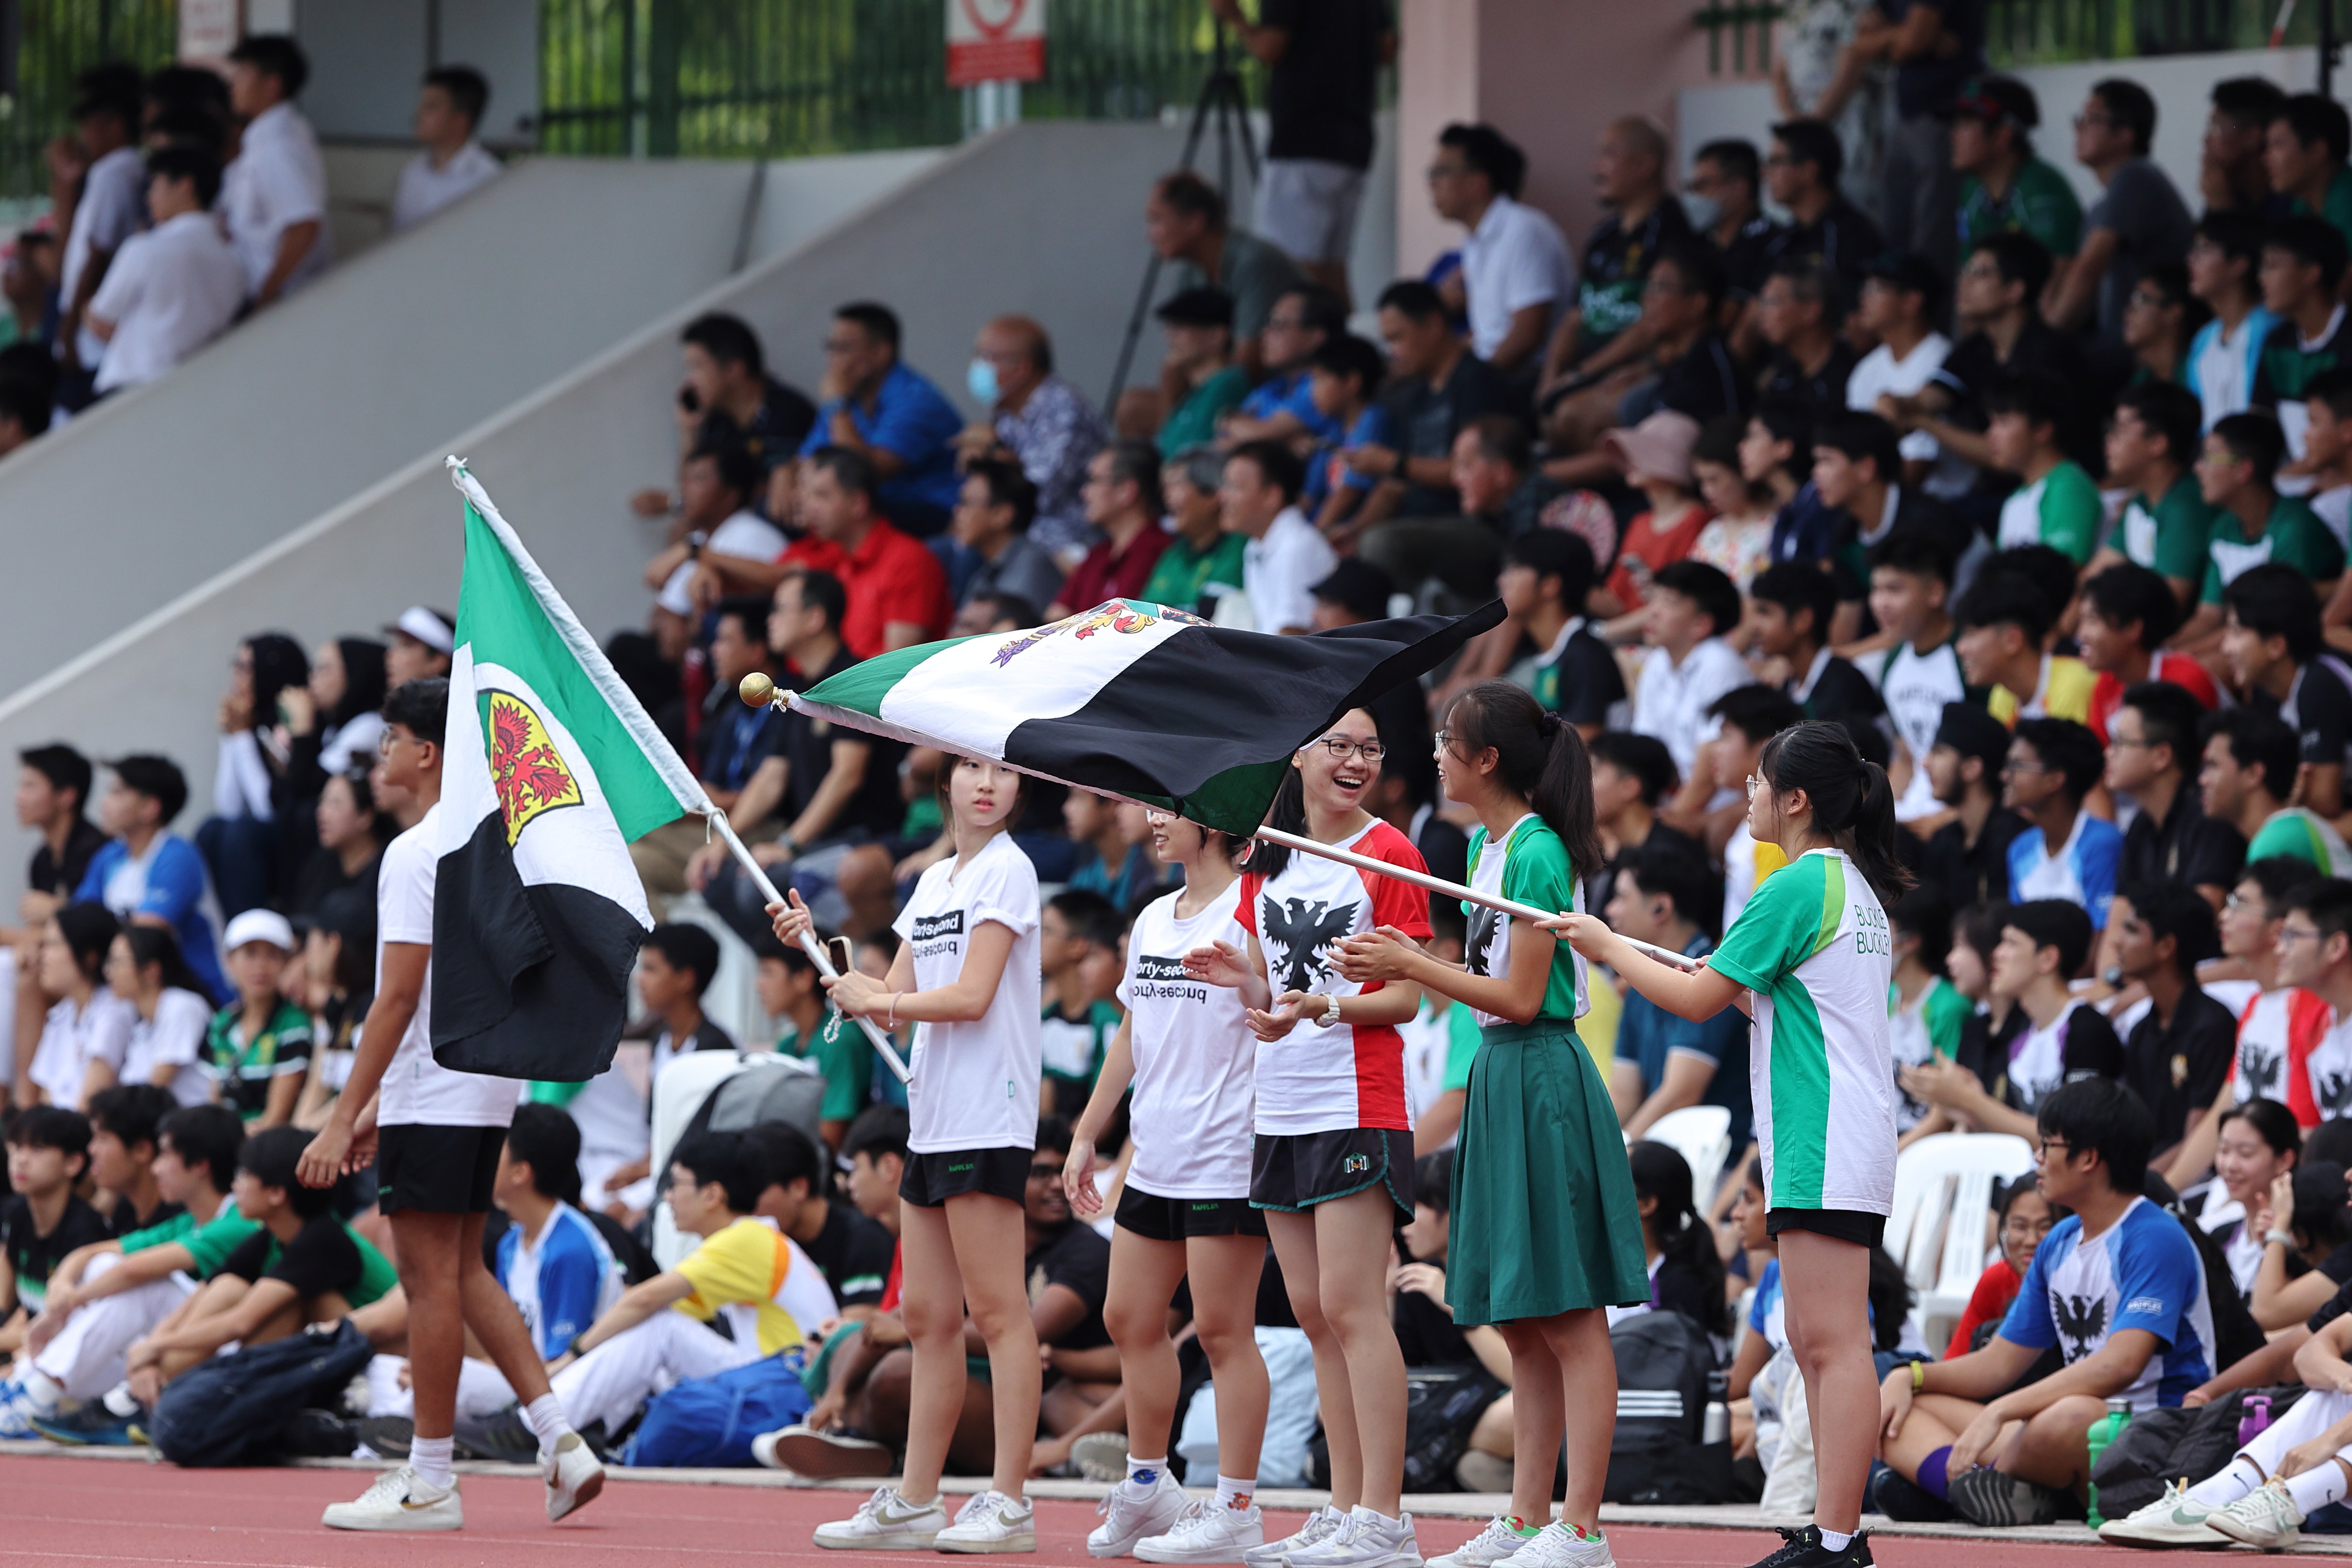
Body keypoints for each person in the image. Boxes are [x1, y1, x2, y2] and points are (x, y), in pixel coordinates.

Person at [1557, 720, 1907, 1568]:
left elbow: (1697, 998)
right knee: (1817, 1337)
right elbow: (1769, 1002)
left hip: (1822, 1131)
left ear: (1794, 799)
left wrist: (1606, 948)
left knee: (1831, 1342)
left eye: (1755, 782)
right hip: (1832, 1129)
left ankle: (1836, 1535)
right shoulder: (1848, 886)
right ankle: (1833, 1528)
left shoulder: (1794, 886)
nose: (1743, 795)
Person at [1328, 682, 1645, 1568]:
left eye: (1444, 738)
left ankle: (1582, 1526)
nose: (1432, 751)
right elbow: (1484, 976)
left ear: (1487, 758)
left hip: (1540, 1069)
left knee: (1570, 1314)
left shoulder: (1538, 851)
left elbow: (1517, 993)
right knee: (1520, 1315)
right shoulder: (1481, 844)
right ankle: (1525, 1514)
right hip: (1500, 1070)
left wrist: (1410, 961)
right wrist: (1395, 960)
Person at [300, 680, 601, 1531]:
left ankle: (430, 1475)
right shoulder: (493, 840)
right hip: (483, 1082)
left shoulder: (414, 852)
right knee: (464, 1271)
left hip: (434, 1078)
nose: (381, 755)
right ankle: (559, 1436)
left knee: (430, 1280)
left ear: (426, 752)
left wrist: (341, 1108)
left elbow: (395, 998)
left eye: (390, 738)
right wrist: (375, 1106)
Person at [771, 752, 1044, 1552]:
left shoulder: (1010, 871)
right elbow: (884, 1004)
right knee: (928, 1318)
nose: (986, 782)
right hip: (931, 1118)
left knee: (997, 1314)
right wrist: (817, 952)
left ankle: (1009, 1500)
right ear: (946, 781)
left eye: (1001, 769)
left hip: (988, 1117)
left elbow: (971, 996)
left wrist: (880, 996)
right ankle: (918, 1497)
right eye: (969, 765)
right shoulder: (933, 882)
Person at [1183, 708, 1430, 1568]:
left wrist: (1322, 1006)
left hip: (1357, 1100)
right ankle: (1343, 1505)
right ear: (1301, 754)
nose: (1357, 759)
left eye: (1371, 746)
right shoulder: (1269, 853)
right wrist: (1238, 975)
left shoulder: (1390, 852)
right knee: (1318, 1313)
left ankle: (1386, 1519)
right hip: (1281, 1104)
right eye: (1340, 745)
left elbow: (1406, 998)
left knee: (1357, 1308)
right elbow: (1272, 985)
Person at [1066, 808, 1271, 1562]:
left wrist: (1248, 977)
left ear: (1215, 823)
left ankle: (1236, 1507)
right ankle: (1149, 1486)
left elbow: (1283, 1014)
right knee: (1127, 1316)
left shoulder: (1252, 907)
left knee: (1221, 1331)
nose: (1153, 820)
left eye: (1170, 810)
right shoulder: (1153, 915)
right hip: (1153, 1154)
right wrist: (1090, 1133)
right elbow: (1130, 1032)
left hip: (1226, 1152)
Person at [1882, 1077, 2211, 1528]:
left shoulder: (2153, 1237)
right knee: (1892, 1407)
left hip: (2148, 1433)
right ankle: (1983, 1492)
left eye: (2047, 1145)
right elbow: (1996, 1364)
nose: (2037, 1157)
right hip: (2059, 1433)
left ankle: (1961, 1490)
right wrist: (1910, 1375)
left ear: (2089, 1159)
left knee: (2072, 1415)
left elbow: (2118, 1367)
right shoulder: (2059, 1241)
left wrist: (2002, 1411)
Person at [543, 1130, 832, 1431]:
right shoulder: (750, 1239)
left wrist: (571, 1357)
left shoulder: (748, 1238)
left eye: (675, 1184)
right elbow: (643, 1311)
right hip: (778, 1383)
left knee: (661, 1331)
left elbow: (645, 1301)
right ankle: (594, 1428)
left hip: (791, 1387)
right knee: (649, 1330)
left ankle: (543, 1425)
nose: (667, 1196)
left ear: (712, 1195)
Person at [1210, 0, 1390, 301]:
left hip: (1303, 142)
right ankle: (1343, 346)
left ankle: (1313, 345)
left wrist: (1235, 17)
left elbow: (1270, 47)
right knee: (1332, 269)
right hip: (1353, 143)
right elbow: (1387, 48)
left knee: (1291, 271)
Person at [1605, 840, 1751, 1151]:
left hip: (1715, 1165)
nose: (1610, 910)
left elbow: (1680, 1095)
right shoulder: (1638, 976)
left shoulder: (1713, 974)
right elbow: (1623, 1095)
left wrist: (1619, 1157)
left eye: (1621, 897)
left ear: (1661, 908)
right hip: (1656, 1155)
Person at [83, 144, 242, 398]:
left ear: (185, 186)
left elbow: (99, 319)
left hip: (134, 387)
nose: (149, 198)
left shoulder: (145, 249)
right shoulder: (233, 259)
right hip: (201, 387)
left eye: (155, 186)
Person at [2043, 80, 2192, 347]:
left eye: (2092, 119)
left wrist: (2043, 344)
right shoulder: (2102, 206)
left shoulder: (2136, 176)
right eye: (2080, 119)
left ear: (2125, 134)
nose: (2079, 128)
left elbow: (2088, 271)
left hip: (2143, 347)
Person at [800, 302, 964, 539]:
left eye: (843, 348)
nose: (832, 359)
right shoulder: (850, 395)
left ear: (881, 353)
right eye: (830, 347)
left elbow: (860, 474)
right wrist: (784, 474)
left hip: (937, 510)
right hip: (883, 504)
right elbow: (809, 459)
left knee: (843, 507)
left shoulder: (915, 400)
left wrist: (837, 406)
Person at [632, 314, 816, 519]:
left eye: (697, 367)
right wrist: (688, 432)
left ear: (733, 369)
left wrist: (673, 502)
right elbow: (693, 492)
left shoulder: (788, 413)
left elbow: (773, 495)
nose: (690, 380)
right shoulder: (717, 423)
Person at [1427, 123, 1572, 383]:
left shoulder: (1524, 231)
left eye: (1442, 172)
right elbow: (1487, 333)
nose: (1432, 183)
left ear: (1477, 183)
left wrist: (1474, 383)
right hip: (1494, 372)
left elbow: (1527, 336)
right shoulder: (1474, 240)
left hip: (1524, 377)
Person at [962, 315, 1107, 564]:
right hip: (1017, 535)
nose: (978, 366)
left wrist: (994, 452)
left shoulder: (1064, 408)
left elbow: (1038, 494)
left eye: (987, 357)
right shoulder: (1006, 411)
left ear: (1022, 367)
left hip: (1066, 542)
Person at [784, 446, 954, 657]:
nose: (810, 508)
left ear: (858, 503)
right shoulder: (842, 557)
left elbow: (895, 664)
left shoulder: (908, 560)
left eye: (822, 496)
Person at [1365, 279, 1509, 522]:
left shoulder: (1478, 381)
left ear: (1434, 325)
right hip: (1414, 524)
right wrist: (1353, 531)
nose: (1393, 352)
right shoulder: (1414, 393)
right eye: (1388, 342)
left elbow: (1475, 471)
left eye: (1398, 338)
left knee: (1383, 544)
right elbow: (1396, 485)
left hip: (1467, 523)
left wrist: (1393, 463)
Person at [2221, 564, 2352, 822]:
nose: (2225, 648)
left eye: (2237, 633)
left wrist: (2289, 809)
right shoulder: (2267, 691)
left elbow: (2325, 804)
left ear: (2276, 646)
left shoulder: (2320, 684)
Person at [2111, 883, 2235, 1150]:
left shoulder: (2213, 1026)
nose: (2117, 941)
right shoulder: (2141, 1031)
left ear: (2166, 946)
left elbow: (2196, 1140)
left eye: (2132, 930)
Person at [50, 64, 145, 405]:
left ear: (115, 126)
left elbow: (97, 255)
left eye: (90, 126)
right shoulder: (113, 172)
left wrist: (69, 329)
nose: (84, 136)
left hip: (88, 333)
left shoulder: (114, 176)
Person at [1148, 171, 1306, 373]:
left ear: (1195, 221)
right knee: (1144, 393)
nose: (1149, 235)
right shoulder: (1189, 273)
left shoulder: (1253, 263)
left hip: (1284, 390)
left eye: (1156, 220)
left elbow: (1248, 366)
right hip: (1230, 383)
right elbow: (1182, 356)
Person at [2195, 417, 2344, 628]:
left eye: (2209, 457)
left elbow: (2271, 627)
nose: (2198, 468)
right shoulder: (2224, 526)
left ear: (2243, 471)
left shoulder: (2295, 527)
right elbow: (2209, 615)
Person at [2108, 681, 2243, 909]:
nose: (2109, 753)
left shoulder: (2210, 816)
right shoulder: (2140, 827)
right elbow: (2118, 926)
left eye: (2120, 743)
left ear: (2162, 756)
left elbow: (2202, 917)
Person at [1869, 532, 1969, 826]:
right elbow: (1906, 759)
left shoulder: (1967, 656)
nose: (1880, 603)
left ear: (1936, 593)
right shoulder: (1892, 663)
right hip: (1914, 811)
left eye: (1894, 590)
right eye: (1876, 590)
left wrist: (1930, 825)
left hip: (1957, 817)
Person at [220, 35, 329, 307]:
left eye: (243, 75)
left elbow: (304, 225)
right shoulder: (264, 138)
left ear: (272, 86)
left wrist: (268, 293)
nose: (234, 84)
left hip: (285, 302)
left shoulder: (279, 146)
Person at [746, 1120, 896, 1314]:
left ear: (799, 1187)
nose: (746, 1207)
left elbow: (859, 1329)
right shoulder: (765, 1246)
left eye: (753, 1193)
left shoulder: (863, 1238)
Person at [1844, 253, 1960, 500]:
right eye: (1865, 287)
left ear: (1911, 302)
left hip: (1942, 505)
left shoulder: (1941, 362)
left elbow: (1917, 468)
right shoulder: (1867, 369)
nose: (1864, 297)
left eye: (1877, 288)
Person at [2099, 383, 2220, 610]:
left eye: (2120, 430)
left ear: (2158, 444)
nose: (2110, 439)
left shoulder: (2185, 509)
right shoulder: (2141, 500)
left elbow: (2163, 611)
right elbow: (2092, 578)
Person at [2251, 218, 2352, 483]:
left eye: (2272, 266)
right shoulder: (2276, 341)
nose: (2261, 278)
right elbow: (2260, 424)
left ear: (2311, 274)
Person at [0, 1106, 109, 1352]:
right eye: (16, 1147)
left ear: (73, 1163)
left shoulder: (87, 1232)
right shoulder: (18, 1216)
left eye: (37, 1149)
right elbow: (22, 1311)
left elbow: (64, 1331)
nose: (20, 1159)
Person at [1629, 560, 1749, 780]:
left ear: (1701, 625)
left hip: (1715, 807)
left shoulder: (1719, 663)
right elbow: (1645, 747)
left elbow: (1710, 771)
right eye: (1654, 599)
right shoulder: (1657, 661)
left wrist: (1670, 815)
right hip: (1670, 795)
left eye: (1669, 602)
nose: (1653, 611)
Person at [2200, 708, 2352, 879]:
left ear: (2253, 774)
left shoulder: (2279, 841)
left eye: (2213, 766)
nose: (2203, 780)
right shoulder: (2285, 830)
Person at [1501, 530, 1624, 738]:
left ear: (1550, 585)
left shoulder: (1586, 656)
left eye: (1516, 568)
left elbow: (1585, 742)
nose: (1503, 580)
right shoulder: (1553, 651)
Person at [2079, 565, 2220, 743]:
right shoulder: (2106, 684)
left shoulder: (2185, 680)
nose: (2081, 634)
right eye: (2082, 621)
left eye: (2093, 621)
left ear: (2133, 628)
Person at [2002, 718, 2121, 928]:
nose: (2004, 776)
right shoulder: (2020, 849)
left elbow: (2101, 934)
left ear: (2054, 780)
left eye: (2016, 766)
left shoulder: (2102, 844)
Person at [1950, 75, 2081, 267]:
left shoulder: (2042, 188)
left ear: (2003, 135)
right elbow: (1969, 272)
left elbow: (2051, 284)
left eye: (1967, 124)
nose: (1953, 135)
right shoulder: (1972, 188)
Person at [203, 909, 311, 1128]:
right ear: (228, 961)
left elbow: (276, 1118)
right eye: (250, 953)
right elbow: (214, 1104)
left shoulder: (294, 1024)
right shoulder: (222, 1023)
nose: (261, 966)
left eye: (273, 954)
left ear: (287, 962)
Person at [1917, 703, 2027, 912]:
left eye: (1938, 752)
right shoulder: (1943, 841)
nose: (1925, 762)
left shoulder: (2014, 840)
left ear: (1972, 769)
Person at [1749, 562, 1885, 731]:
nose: (1753, 626)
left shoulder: (1842, 685)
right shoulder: (1787, 684)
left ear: (1802, 620)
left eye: (1765, 613)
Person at [23, 904, 130, 1112]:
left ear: (89, 955)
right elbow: (46, 1098)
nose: (42, 957)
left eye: (53, 945)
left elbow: (88, 1107)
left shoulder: (113, 1011)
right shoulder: (61, 1014)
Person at [1223, 439, 1334, 638]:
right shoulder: (1256, 544)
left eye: (1235, 487)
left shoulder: (1297, 545)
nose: (1223, 497)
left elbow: (1292, 634)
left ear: (1272, 496)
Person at [1954, 569, 2092, 729]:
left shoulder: (2073, 683)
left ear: (2013, 640)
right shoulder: (2003, 694)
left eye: (1970, 635)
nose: (1960, 648)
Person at [1986, 374, 2100, 563]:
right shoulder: (2015, 500)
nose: (1990, 434)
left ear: (2042, 430)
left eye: (2003, 422)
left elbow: (2062, 574)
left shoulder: (2069, 488)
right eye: (1992, 423)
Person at [2185, 211, 2280, 434]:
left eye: (2204, 249)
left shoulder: (2271, 329)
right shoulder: (2203, 340)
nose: (2191, 259)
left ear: (2238, 264)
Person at [1053, 442, 1169, 618]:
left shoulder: (1161, 553)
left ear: (1126, 491)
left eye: (1094, 480)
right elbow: (1055, 616)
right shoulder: (1098, 554)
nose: (1084, 492)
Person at [390, 65, 501, 231]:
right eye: (422, 105)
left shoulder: (489, 180)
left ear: (461, 120)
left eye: (431, 107)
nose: (419, 115)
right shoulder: (412, 172)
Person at [1142, 445, 1249, 614]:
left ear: (1214, 495)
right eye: (1166, 487)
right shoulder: (1172, 555)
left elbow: (1211, 627)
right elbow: (1144, 618)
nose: (1167, 496)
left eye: (1177, 485)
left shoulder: (1239, 550)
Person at [2279, 879, 2352, 1125]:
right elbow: (2307, 1132)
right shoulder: (2315, 1025)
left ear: (2336, 946)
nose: (2280, 950)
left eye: (2292, 937)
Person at [1755, 261, 1858, 428]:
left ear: (1811, 311)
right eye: (1762, 302)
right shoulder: (1778, 374)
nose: (1761, 313)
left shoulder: (1850, 376)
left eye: (1772, 302)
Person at [1152, 287, 1250, 459]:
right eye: (1169, 328)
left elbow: (1188, 458)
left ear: (1217, 336)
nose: (1170, 337)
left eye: (1180, 327)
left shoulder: (1227, 385)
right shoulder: (1199, 391)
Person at [2270, 93, 2352, 256]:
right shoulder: (2303, 203)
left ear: (2317, 150)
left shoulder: (2348, 199)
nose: (2266, 158)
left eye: (2277, 145)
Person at [2202, 77, 2288, 215]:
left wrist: (2222, 209)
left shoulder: (2289, 202)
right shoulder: (2231, 188)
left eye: (2216, 129)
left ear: (2251, 138)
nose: (2206, 141)